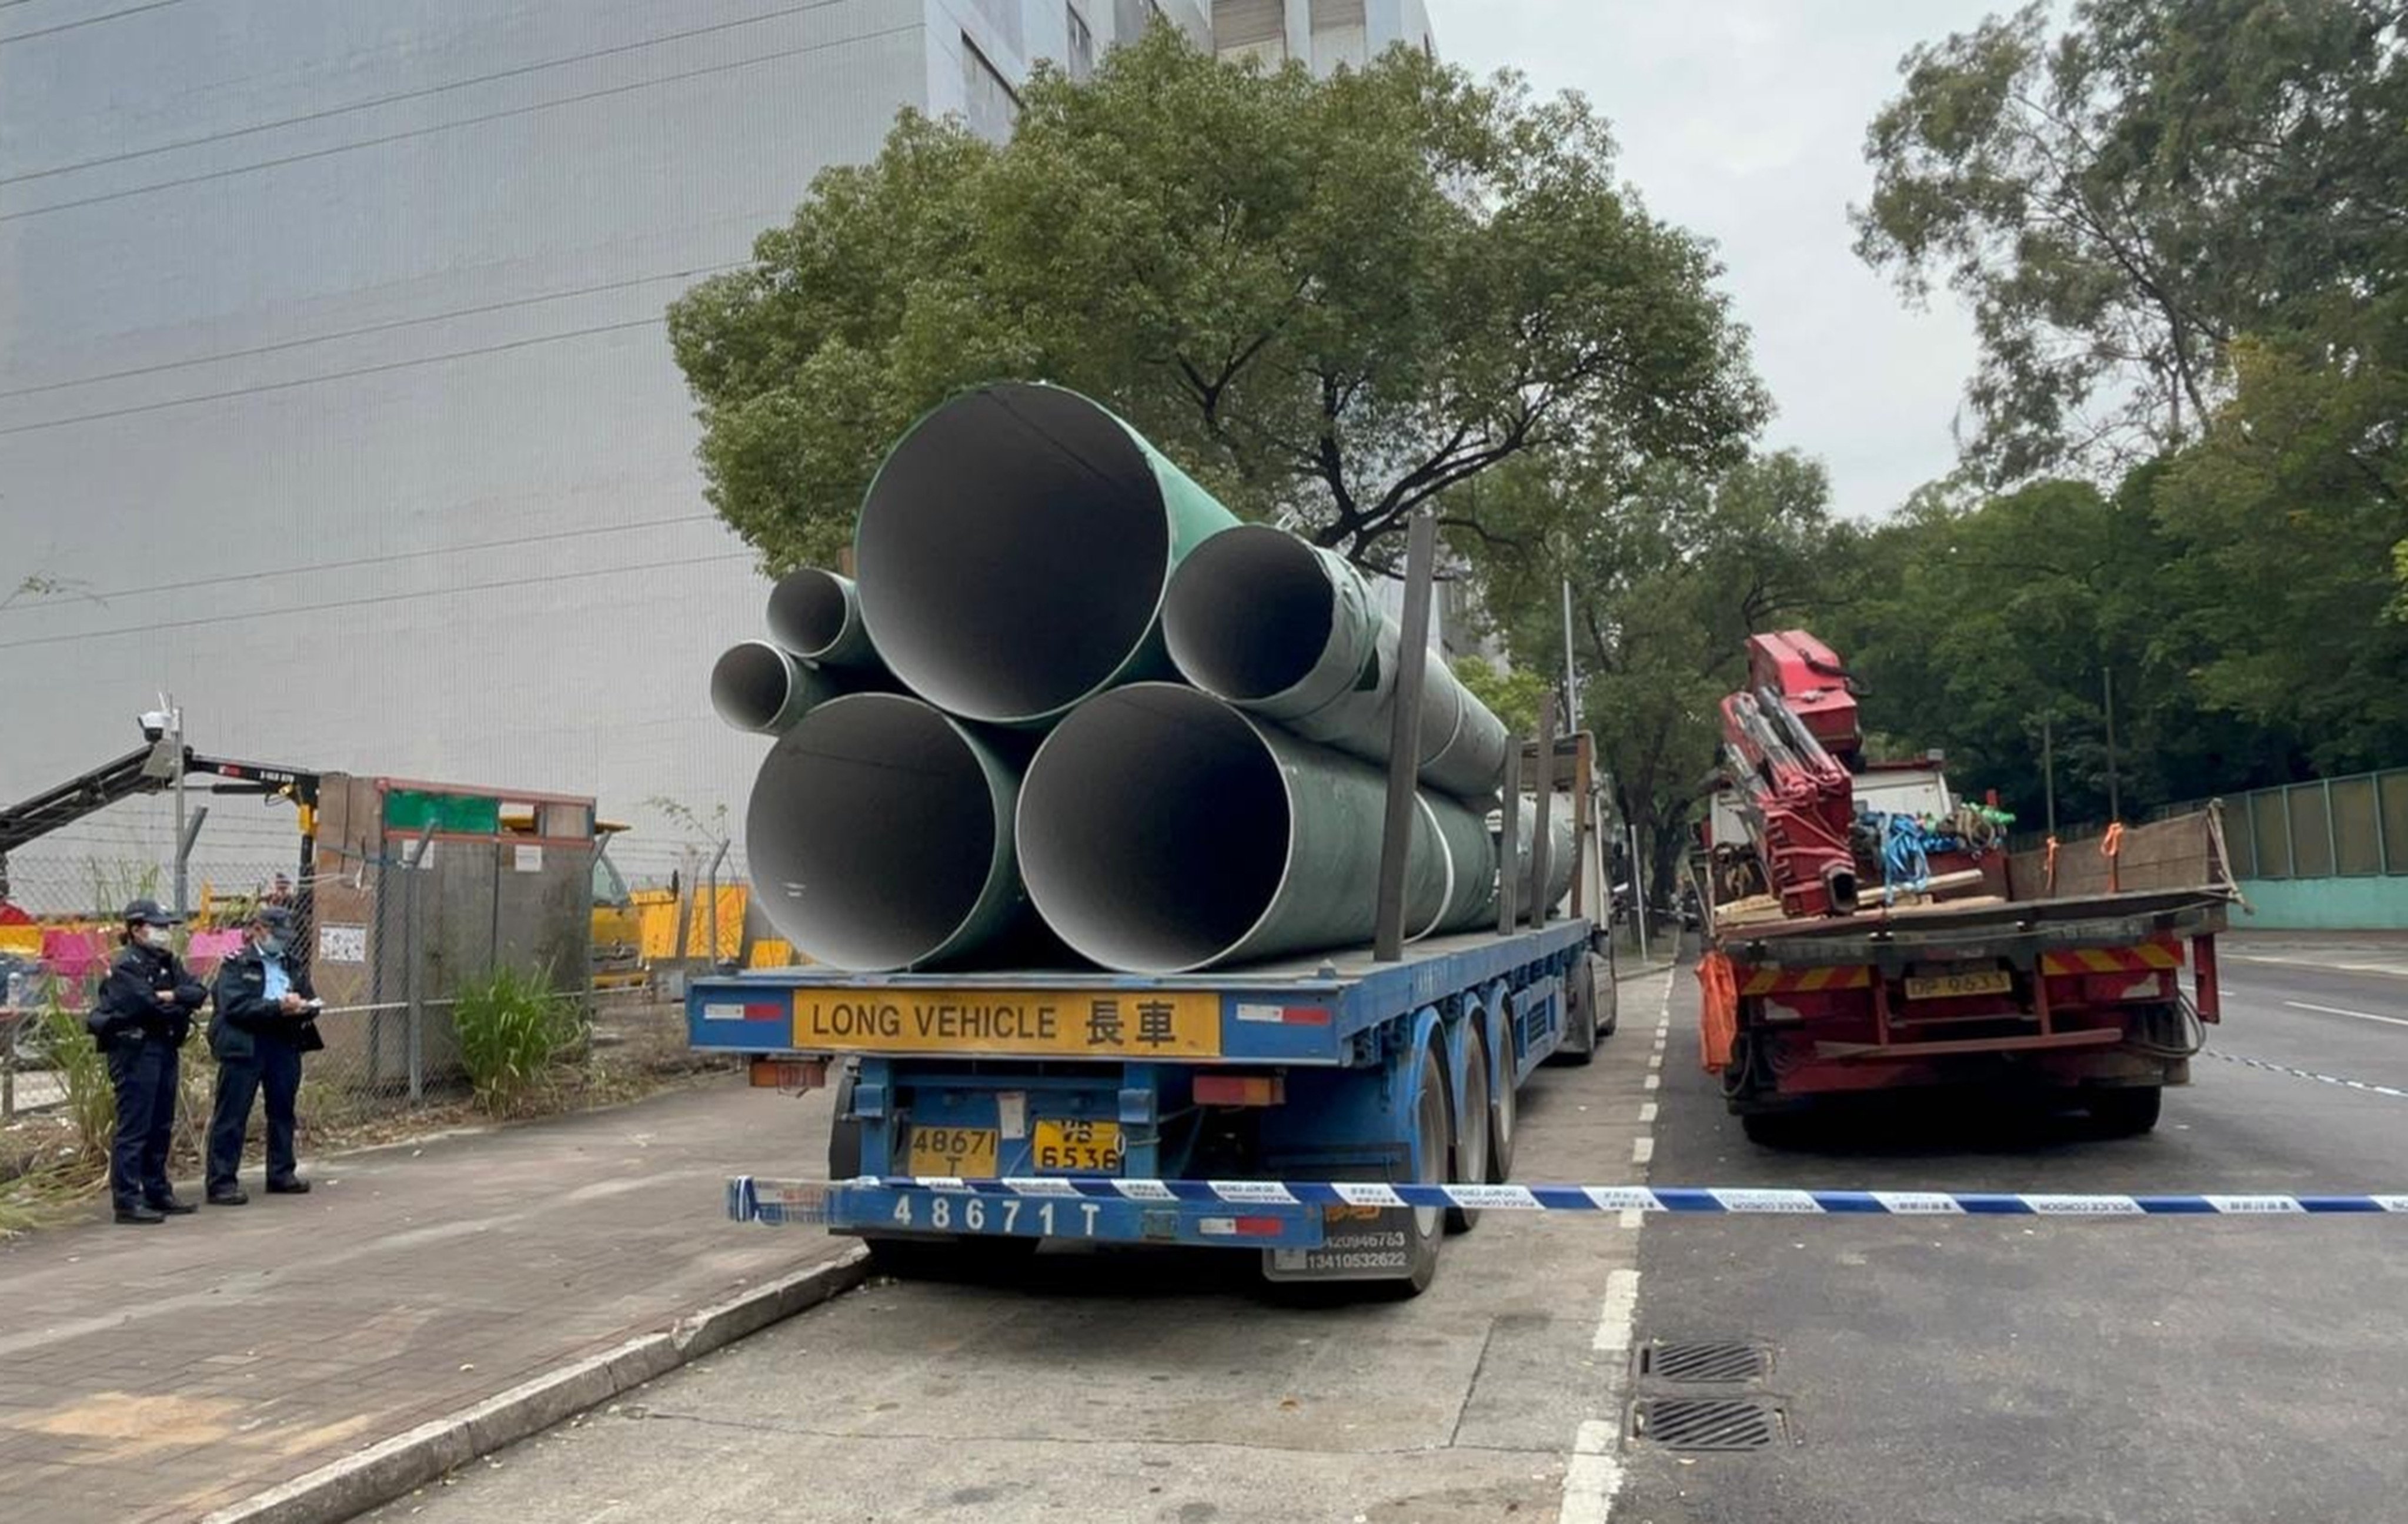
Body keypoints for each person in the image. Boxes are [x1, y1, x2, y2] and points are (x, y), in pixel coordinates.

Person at [87, 898, 206, 1225]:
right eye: (158, 927)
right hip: (136, 1050)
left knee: (161, 1123)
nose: (165, 933)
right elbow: (146, 1006)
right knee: (135, 1126)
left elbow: (198, 993)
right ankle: (127, 1199)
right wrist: (173, 999)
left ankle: (157, 1190)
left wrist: (171, 997)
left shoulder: (167, 961)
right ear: (137, 930)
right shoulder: (127, 965)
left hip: (165, 1046)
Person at [205, 904, 323, 1204]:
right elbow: (234, 1006)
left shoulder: (292, 964)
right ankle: (222, 1181)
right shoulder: (237, 964)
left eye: (285, 936)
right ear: (259, 930)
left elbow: (308, 996)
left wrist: (306, 1007)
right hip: (246, 1043)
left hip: (283, 1041)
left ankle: (282, 1173)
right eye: (276, 934)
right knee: (233, 1114)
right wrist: (276, 1007)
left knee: (283, 1110)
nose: (281, 941)